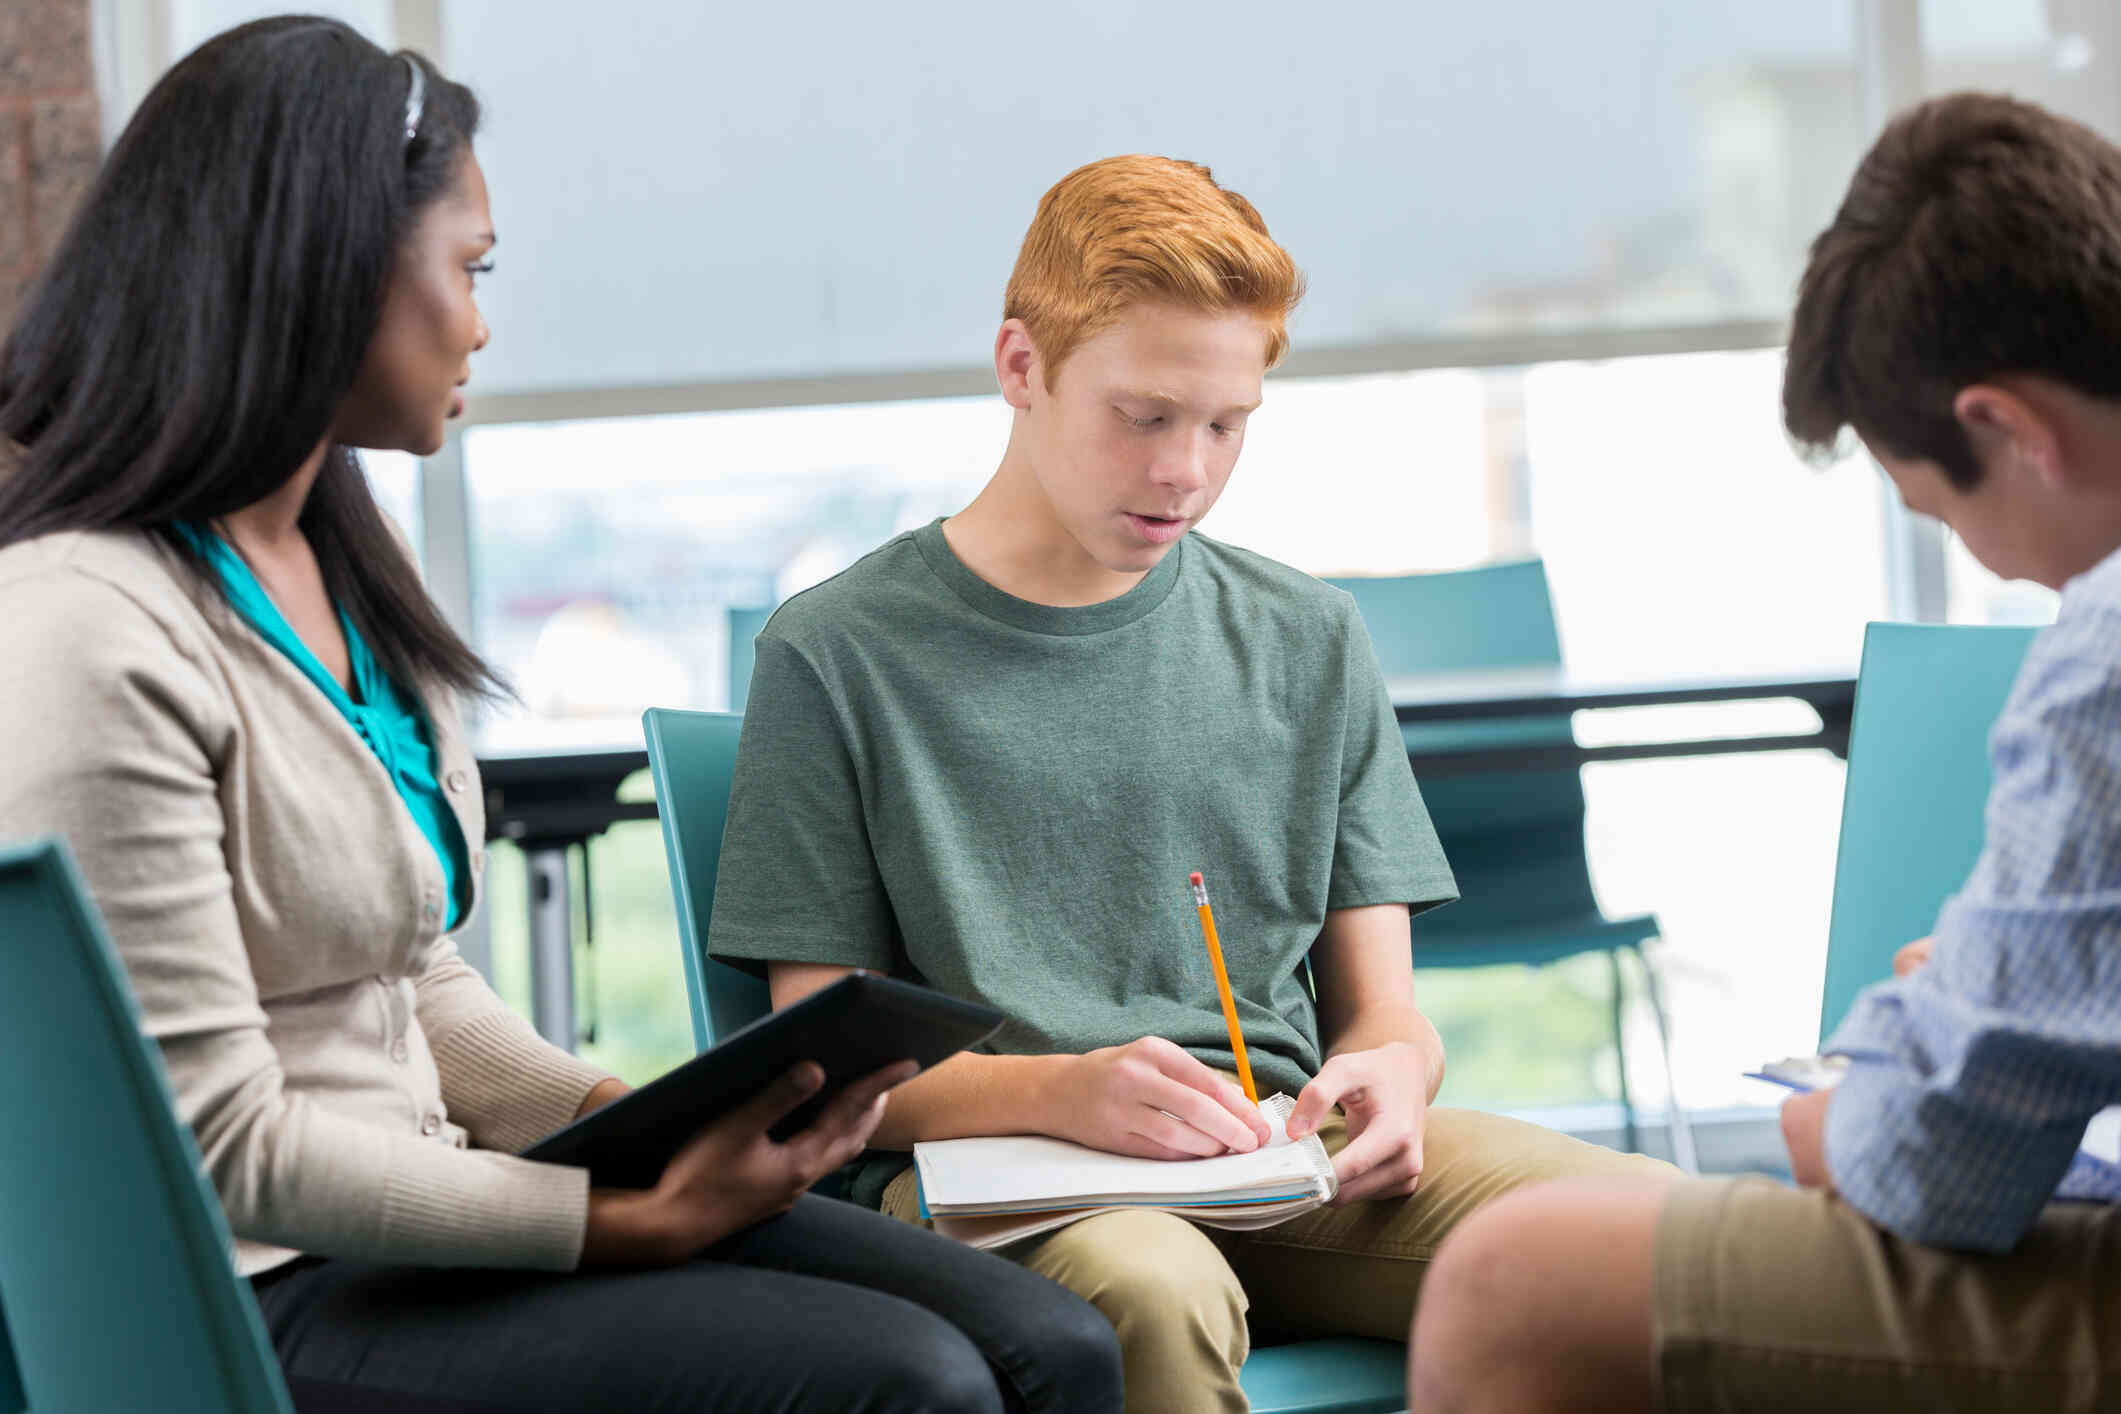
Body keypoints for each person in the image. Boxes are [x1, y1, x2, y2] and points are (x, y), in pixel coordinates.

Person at [0, 18, 1120, 1414]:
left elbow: (403, 974)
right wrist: (612, 1218)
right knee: (914, 1387)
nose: (483, 320)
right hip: (267, 1288)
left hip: (434, 1220)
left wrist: (619, 1121)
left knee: (1058, 1345)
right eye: (467, 271)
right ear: (330, 267)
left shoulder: (327, 571)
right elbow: (224, 1141)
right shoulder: (85, 626)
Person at [705, 152, 1670, 1414]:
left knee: (1676, 1247)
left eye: (1227, 425)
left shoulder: (1307, 634)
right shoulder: (837, 653)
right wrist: (1065, 1087)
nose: (1186, 472)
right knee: (1155, 1290)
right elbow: (820, 1065)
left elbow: (1383, 1015)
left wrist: (1395, 1070)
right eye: (1145, 416)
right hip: (1018, 1182)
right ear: (1020, 367)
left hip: (1289, 1157)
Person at [1407, 92, 2121, 1413]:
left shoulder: (2105, 649)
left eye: (1943, 506)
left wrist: (1835, 1118)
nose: (1982, 558)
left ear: (2011, 428)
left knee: (1511, 1280)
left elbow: (1941, 1173)